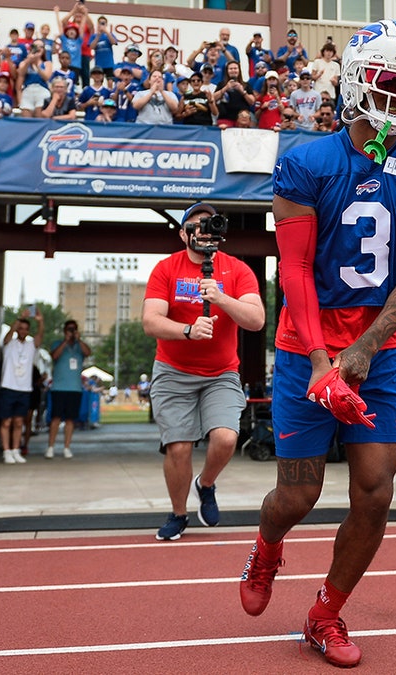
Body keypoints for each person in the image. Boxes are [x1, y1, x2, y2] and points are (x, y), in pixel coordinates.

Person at [237, 21, 396, 669]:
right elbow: (294, 270)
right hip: (307, 343)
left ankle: (326, 611)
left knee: (376, 491)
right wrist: (325, 358)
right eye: (390, 84)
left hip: (378, 350)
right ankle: (268, 544)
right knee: (297, 497)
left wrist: (364, 348)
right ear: (359, 80)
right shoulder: (307, 160)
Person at [143, 202, 263, 542]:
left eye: (210, 224)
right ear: (183, 233)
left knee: (225, 437)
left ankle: (206, 484)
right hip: (173, 370)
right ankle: (178, 514)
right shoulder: (166, 269)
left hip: (221, 372)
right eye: (196, 224)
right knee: (178, 447)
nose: (204, 229)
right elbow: (150, 321)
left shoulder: (237, 270)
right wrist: (187, 330)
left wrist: (222, 299)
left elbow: (256, 320)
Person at [0, 311, 41, 465]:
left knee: (19, 422)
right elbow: (7, 337)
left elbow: (40, 337)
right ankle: (6, 450)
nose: (23, 331)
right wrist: (19, 319)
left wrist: (40, 322)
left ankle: (16, 449)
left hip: (24, 388)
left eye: (25, 329)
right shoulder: (10, 344)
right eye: (21, 328)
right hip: (8, 386)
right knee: (6, 422)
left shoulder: (31, 346)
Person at [45, 320, 90, 460]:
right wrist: (65, 341)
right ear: (64, 330)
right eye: (69, 329)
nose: (71, 332)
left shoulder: (79, 346)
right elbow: (54, 356)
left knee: (71, 419)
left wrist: (78, 339)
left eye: (73, 329)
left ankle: (67, 447)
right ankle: (51, 447)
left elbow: (88, 352)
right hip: (59, 388)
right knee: (55, 418)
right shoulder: (58, 344)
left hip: (74, 388)